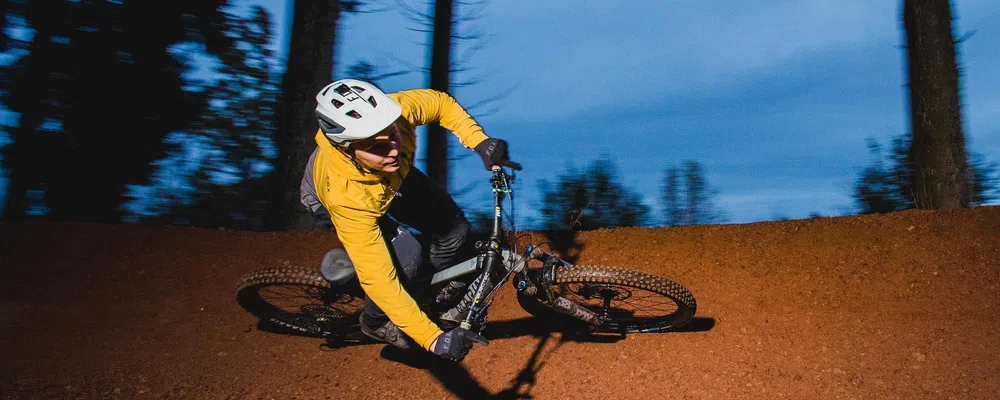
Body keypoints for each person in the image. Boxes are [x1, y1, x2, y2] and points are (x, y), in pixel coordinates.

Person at [298, 79, 510, 361]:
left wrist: (478, 141)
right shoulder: (345, 196)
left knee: (454, 228)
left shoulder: (394, 113)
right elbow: (380, 281)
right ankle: (374, 324)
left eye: (393, 134)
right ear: (346, 149)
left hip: (390, 178)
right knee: (407, 258)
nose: (394, 149)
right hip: (358, 196)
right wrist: (432, 339)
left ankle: (428, 291)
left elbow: (440, 104)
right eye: (377, 146)